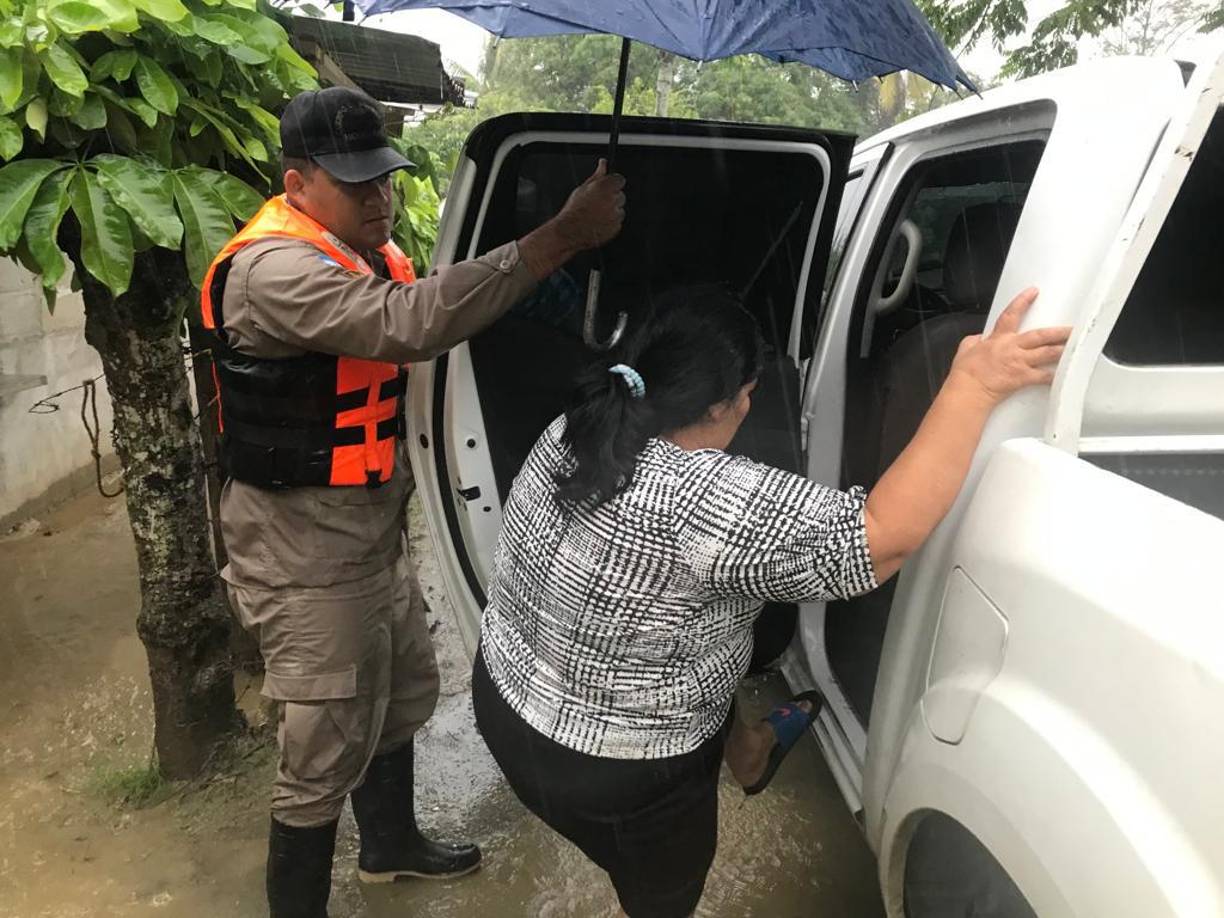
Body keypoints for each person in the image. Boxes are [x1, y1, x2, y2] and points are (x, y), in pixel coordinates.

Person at [471, 284, 1070, 917]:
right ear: (734, 401)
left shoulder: (572, 425)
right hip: (618, 775)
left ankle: (750, 750)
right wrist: (972, 387)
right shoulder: (707, 498)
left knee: (697, 634)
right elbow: (881, 540)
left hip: (504, 701)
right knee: (661, 900)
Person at [199, 86, 625, 918]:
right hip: (301, 544)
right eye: (354, 182)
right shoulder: (275, 271)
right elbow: (413, 323)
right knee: (322, 738)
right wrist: (562, 233)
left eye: (384, 177)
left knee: (395, 694)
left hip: (367, 524)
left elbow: (446, 304)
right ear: (297, 185)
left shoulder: (357, 255)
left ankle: (389, 849)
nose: (378, 196)